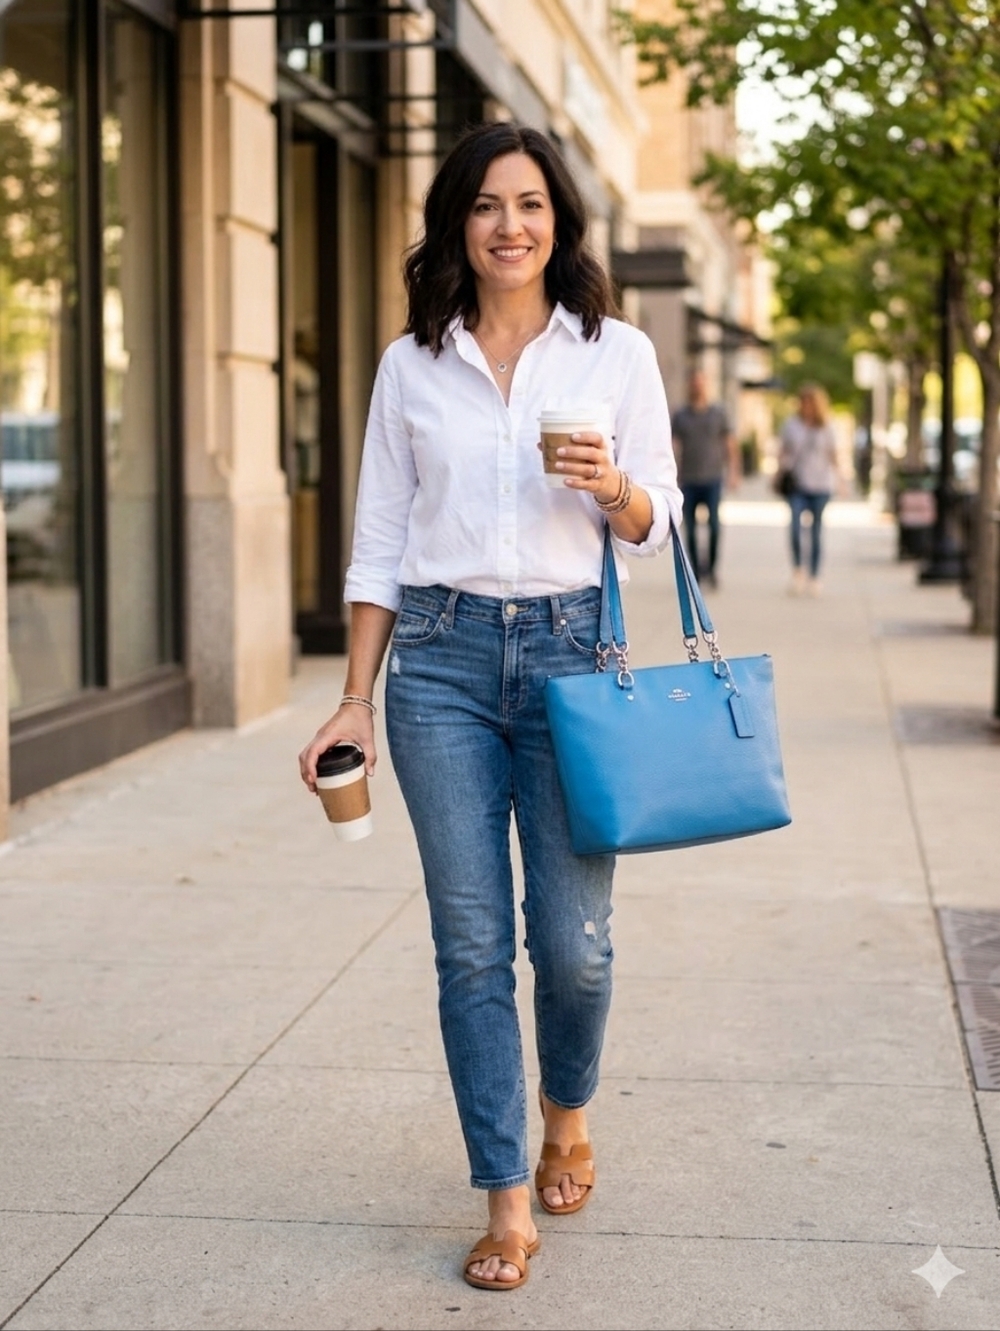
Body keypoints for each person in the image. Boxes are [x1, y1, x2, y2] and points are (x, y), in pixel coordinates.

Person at [298, 123, 681, 1292]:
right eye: (483, 205)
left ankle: (569, 1108)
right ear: (454, 224)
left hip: (573, 655)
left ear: (557, 221)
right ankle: (504, 1191)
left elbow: (661, 526)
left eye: (528, 203)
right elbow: (376, 544)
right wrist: (352, 697)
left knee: (570, 947)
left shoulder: (614, 352)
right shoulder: (411, 362)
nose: (507, 224)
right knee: (470, 945)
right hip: (442, 663)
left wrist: (611, 486)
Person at [670, 369, 740, 589]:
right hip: (688, 480)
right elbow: (673, 445)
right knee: (689, 528)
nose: (697, 386)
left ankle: (711, 569)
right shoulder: (681, 415)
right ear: (690, 386)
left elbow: (730, 443)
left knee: (714, 526)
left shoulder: (718, 413)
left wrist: (734, 472)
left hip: (713, 478)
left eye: (701, 382)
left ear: (706, 385)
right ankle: (696, 572)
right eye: (694, 383)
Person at [778, 383, 840, 596]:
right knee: (795, 527)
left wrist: (841, 480)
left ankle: (814, 576)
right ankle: (798, 570)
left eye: (809, 402)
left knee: (815, 531)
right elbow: (784, 451)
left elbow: (834, 454)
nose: (805, 406)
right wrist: (778, 473)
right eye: (802, 402)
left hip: (822, 485)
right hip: (798, 484)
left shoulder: (828, 426)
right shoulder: (792, 425)